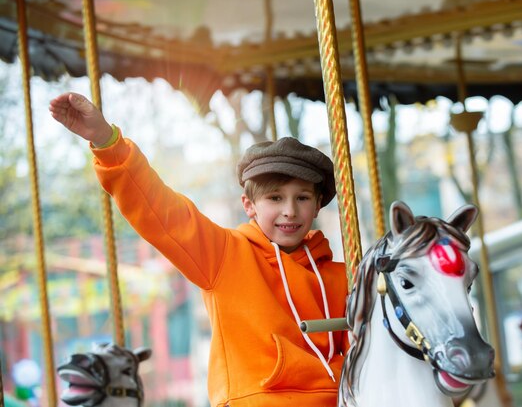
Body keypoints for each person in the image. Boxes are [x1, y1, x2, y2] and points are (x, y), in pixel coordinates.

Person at [49, 92, 350, 407]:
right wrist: (105, 140)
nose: (290, 210)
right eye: (275, 198)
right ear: (249, 205)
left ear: (317, 205)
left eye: (302, 198)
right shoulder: (226, 255)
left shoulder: (342, 277)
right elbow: (160, 211)